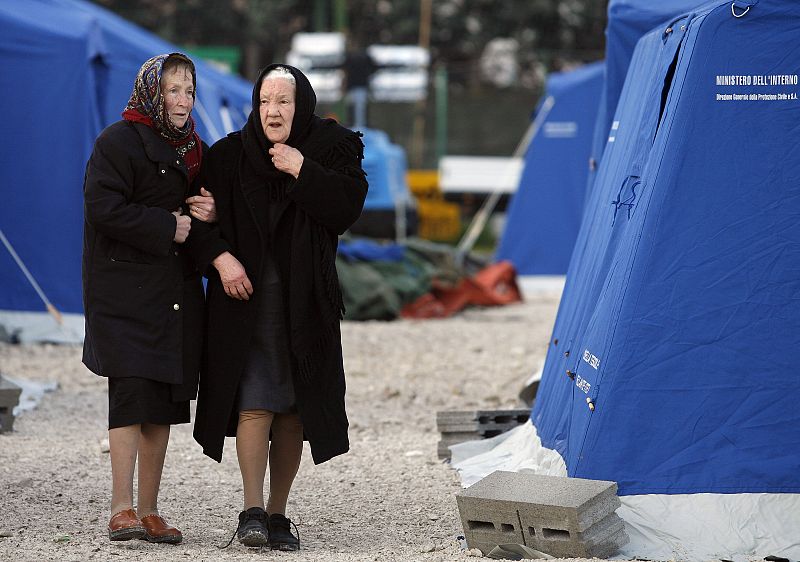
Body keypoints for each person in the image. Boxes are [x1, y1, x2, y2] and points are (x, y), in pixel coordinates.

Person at [187, 64, 368, 551]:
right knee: (255, 402)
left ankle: (279, 513)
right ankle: (250, 511)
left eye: (283, 102)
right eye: (265, 101)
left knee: (294, 410)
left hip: (306, 302)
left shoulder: (333, 149)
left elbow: (348, 208)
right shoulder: (227, 156)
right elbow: (197, 221)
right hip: (244, 302)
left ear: (301, 105)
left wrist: (302, 170)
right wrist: (221, 259)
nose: (272, 111)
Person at [82, 52, 213, 544]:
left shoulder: (196, 148)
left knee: (163, 400)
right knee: (131, 395)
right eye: (173, 90)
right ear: (152, 92)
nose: (182, 101)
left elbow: (202, 215)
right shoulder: (117, 142)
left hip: (175, 293)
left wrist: (209, 210)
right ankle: (122, 508)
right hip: (124, 292)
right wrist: (167, 225)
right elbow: (101, 208)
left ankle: (152, 510)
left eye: (189, 91)